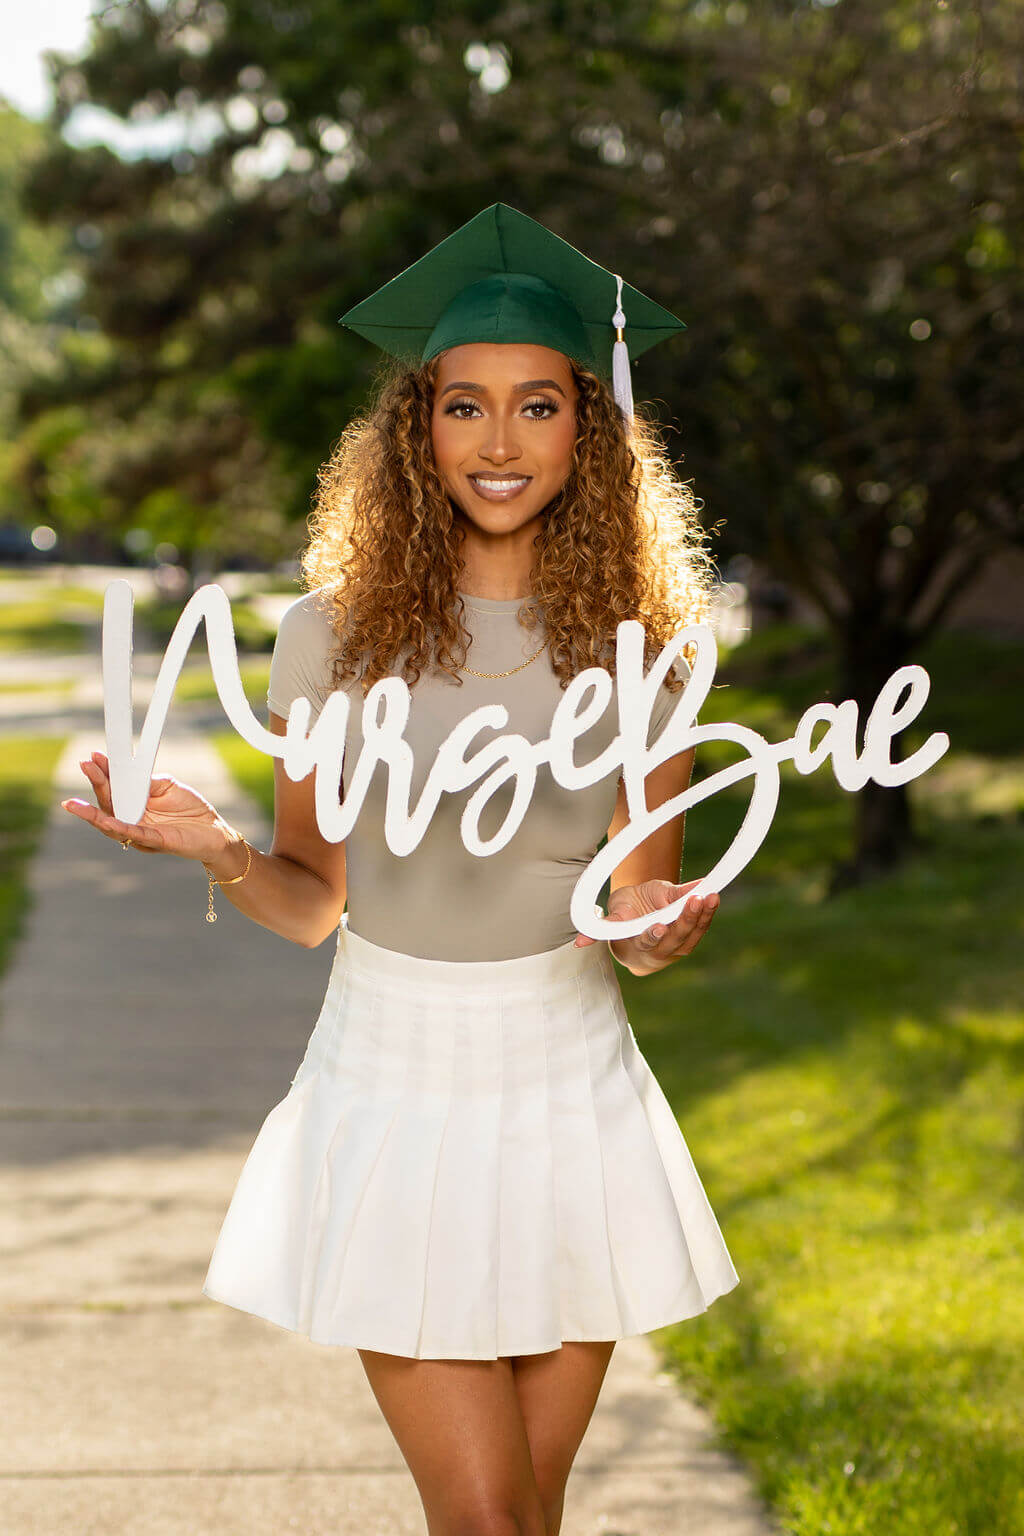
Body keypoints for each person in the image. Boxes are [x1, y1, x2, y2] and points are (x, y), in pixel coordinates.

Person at [62, 204, 740, 1536]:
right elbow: (315, 898)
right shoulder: (331, 641)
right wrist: (222, 849)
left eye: (537, 405)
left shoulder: (641, 651)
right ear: (414, 428)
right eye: (463, 406)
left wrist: (666, 930)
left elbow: (636, 913)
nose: (498, 443)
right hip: (393, 1083)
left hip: (571, 1093)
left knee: (529, 1514)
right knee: (484, 1516)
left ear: (587, 428)